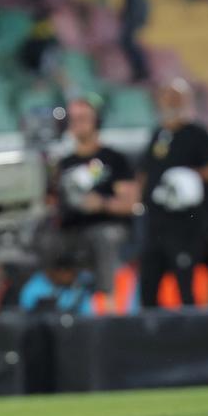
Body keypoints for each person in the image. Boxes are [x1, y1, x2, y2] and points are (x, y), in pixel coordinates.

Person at [138, 79, 208, 308]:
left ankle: (192, 334)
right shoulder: (158, 134)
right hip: (156, 222)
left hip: (186, 224)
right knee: (148, 281)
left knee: (185, 282)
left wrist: (187, 176)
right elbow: (145, 173)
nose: (169, 101)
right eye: (165, 96)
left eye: (175, 96)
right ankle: (149, 334)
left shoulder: (197, 134)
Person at [55, 97, 138, 294]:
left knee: (104, 237)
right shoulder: (63, 163)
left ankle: (107, 300)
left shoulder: (114, 159)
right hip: (72, 229)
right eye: (73, 119)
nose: (77, 123)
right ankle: (52, 301)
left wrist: (102, 204)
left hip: (108, 226)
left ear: (97, 121)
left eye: (83, 118)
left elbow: (131, 203)